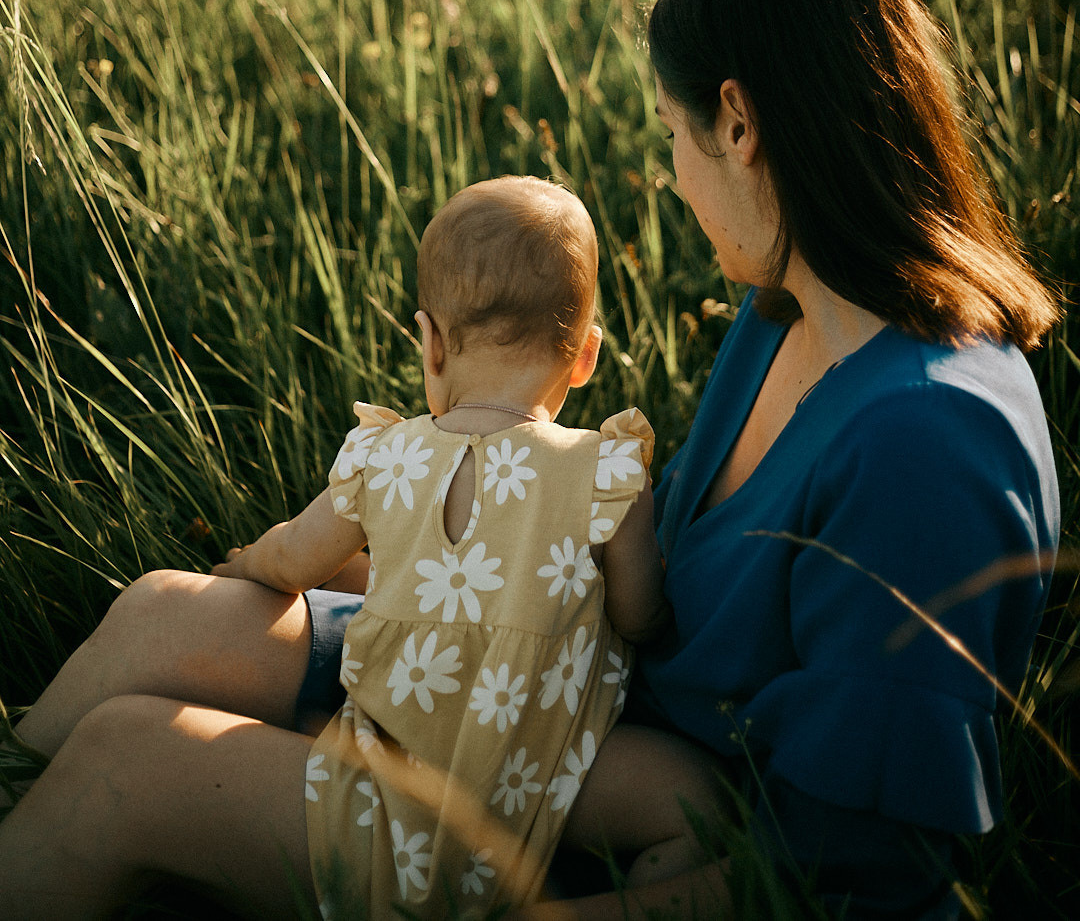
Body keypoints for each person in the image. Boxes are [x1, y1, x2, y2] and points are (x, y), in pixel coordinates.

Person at [1, 0, 1062, 921]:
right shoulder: (791, 308)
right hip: (561, 688)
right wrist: (426, 549)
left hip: (636, 803)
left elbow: (859, 880)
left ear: (738, 124)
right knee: (161, 617)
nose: (674, 178)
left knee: (121, 768)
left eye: (672, 137)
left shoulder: (927, 444)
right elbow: (650, 582)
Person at [0, 177, 718, 917]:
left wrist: (247, 561)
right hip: (521, 808)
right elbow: (637, 617)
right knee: (692, 799)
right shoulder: (609, 474)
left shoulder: (387, 458)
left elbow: (292, 563)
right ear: (586, 357)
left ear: (431, 342)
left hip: (381, 824)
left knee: (119, 744)